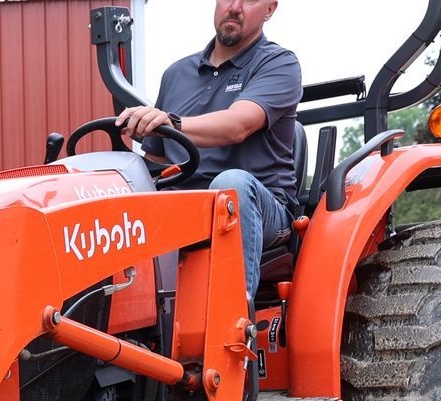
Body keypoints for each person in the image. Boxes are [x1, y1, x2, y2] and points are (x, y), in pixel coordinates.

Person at [117, 0, 303, 299]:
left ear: (270, 10)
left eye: (250, 1)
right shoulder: (176, 74)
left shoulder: (278, 63)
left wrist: (172, 122)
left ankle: (232, 323)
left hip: (261, 206)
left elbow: (238, 125)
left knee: (231, 185)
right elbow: (155, 160)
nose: (235, 7)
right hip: (184, 206)